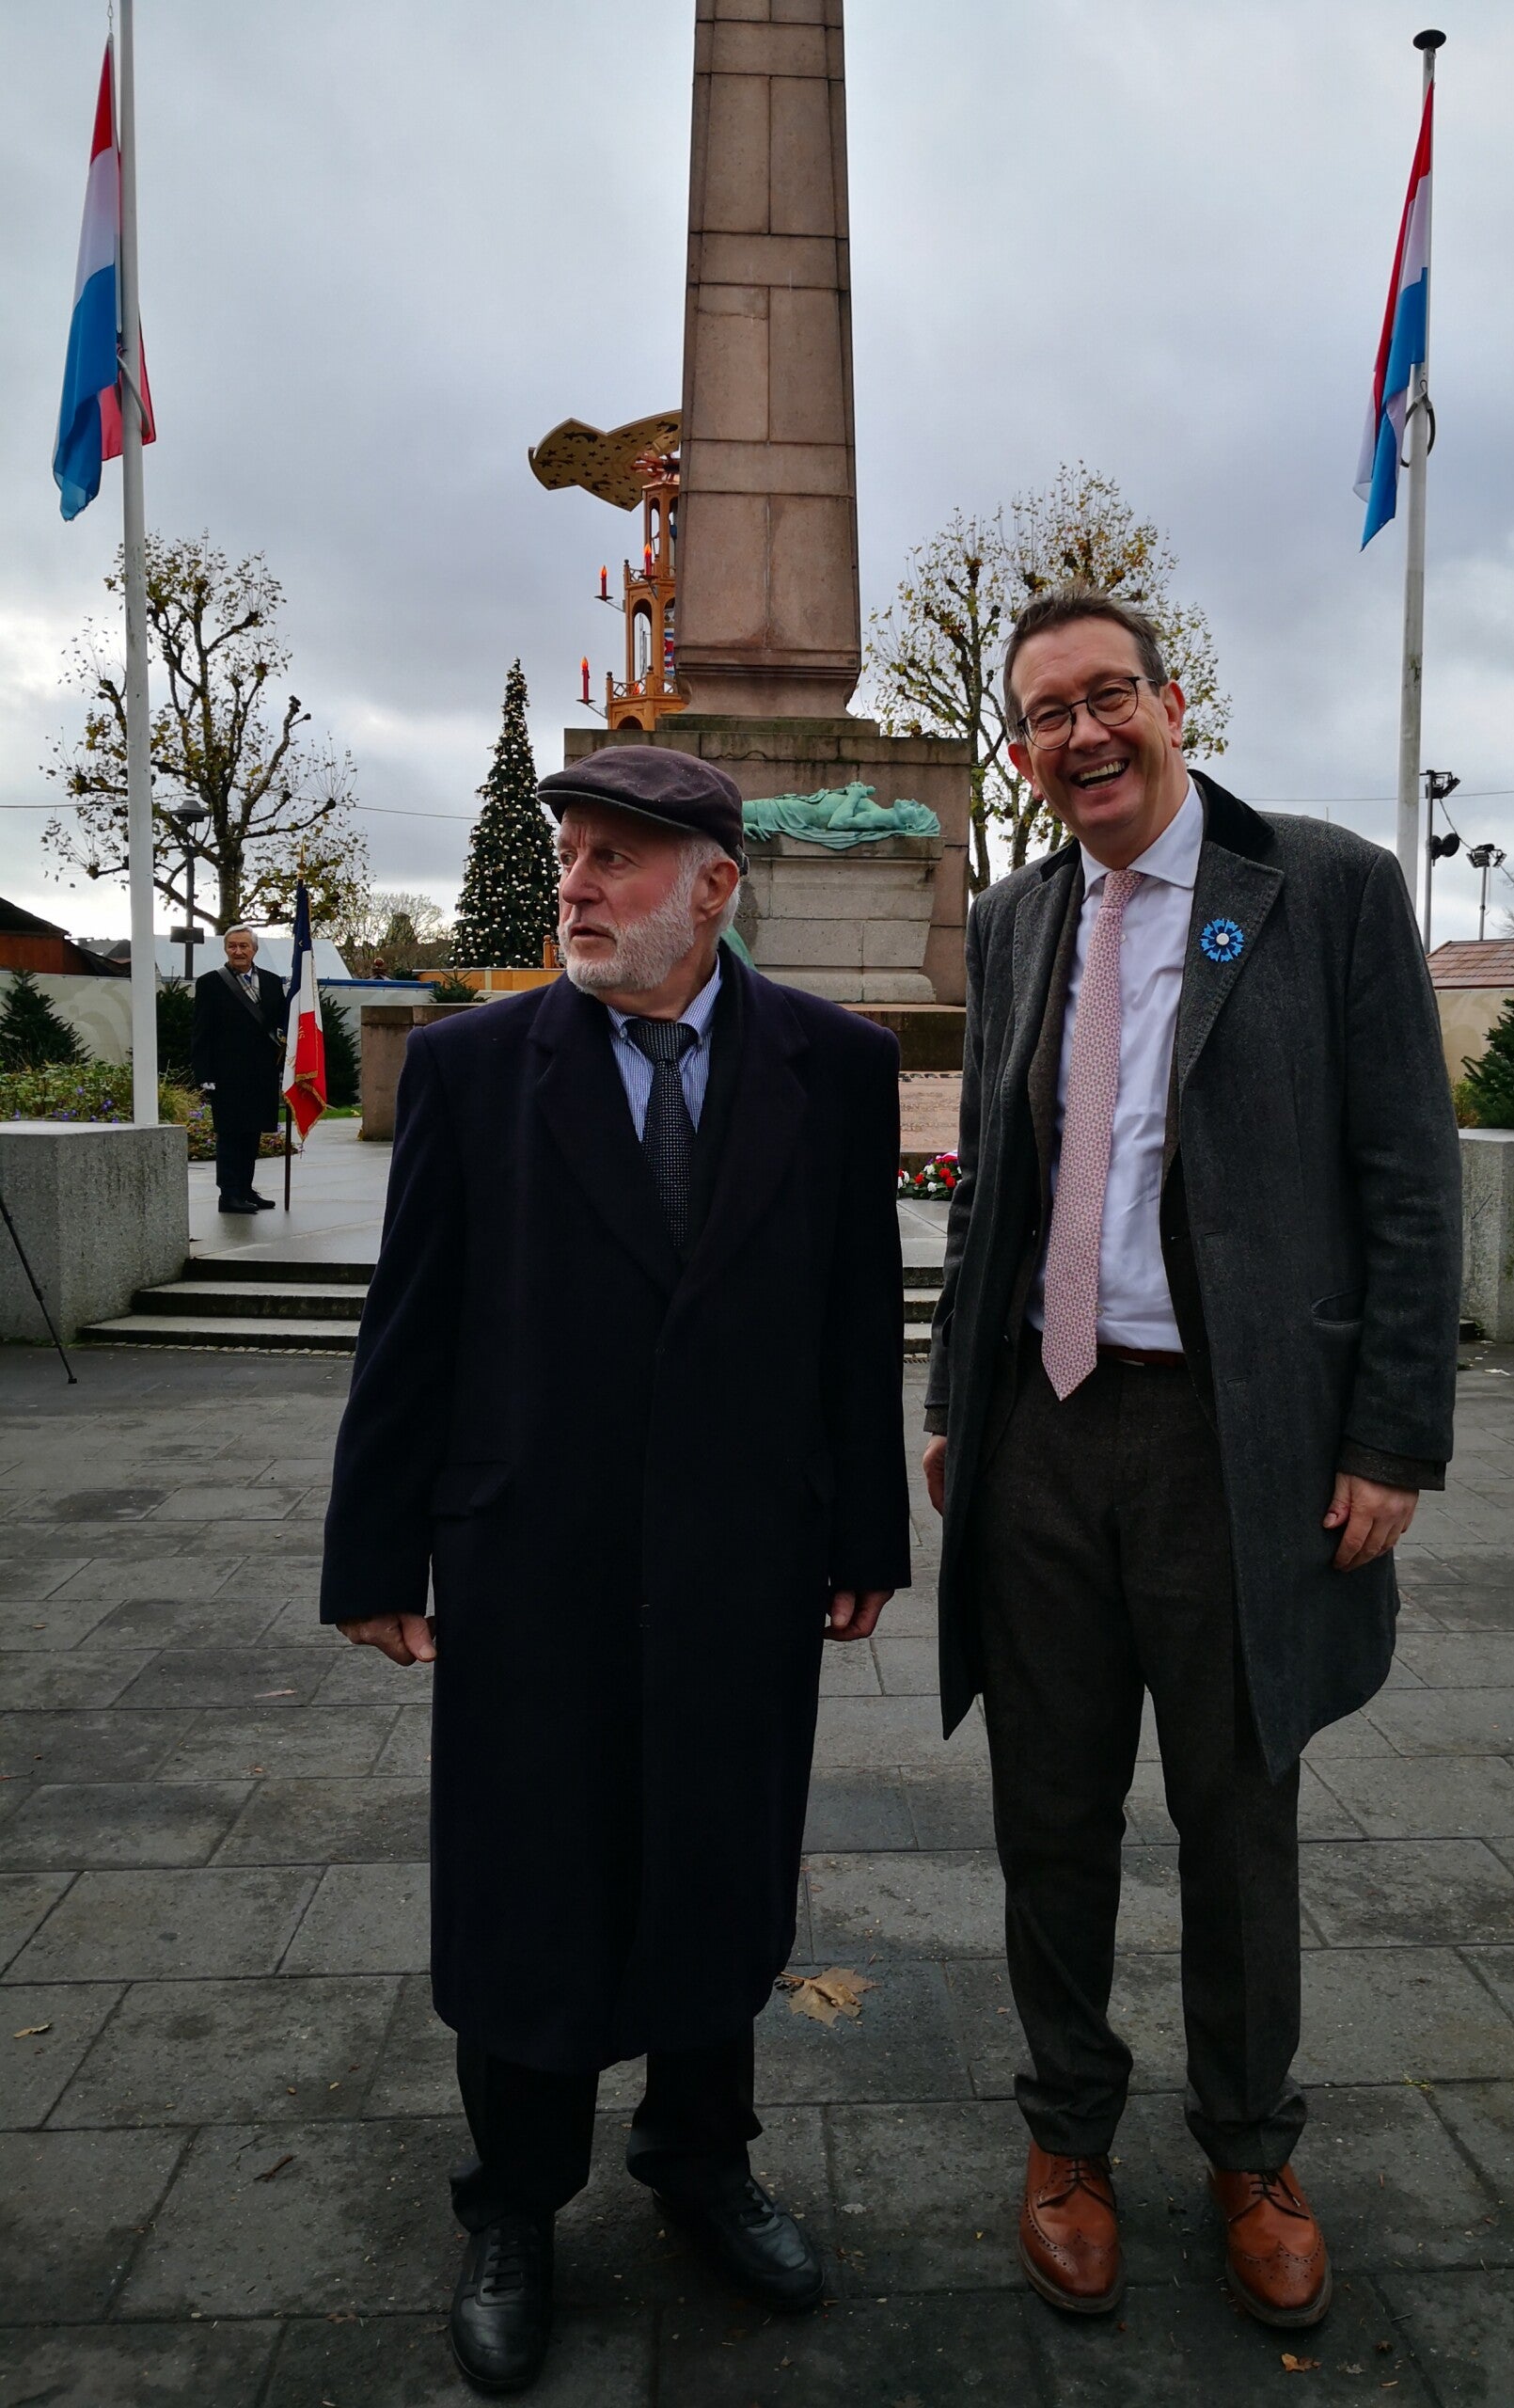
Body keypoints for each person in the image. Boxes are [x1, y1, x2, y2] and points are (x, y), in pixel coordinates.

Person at [320, 748, 909, 2394]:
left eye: (615, 860)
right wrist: (375, 1551)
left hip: (744, 1553)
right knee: (533, 1874)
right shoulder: (472, 1067)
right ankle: (513, 2204)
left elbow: (855, 1310)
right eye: (570, 853)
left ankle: (702, 2162)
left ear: (715, 887)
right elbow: (412, 1323)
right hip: (531, 1555)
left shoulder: (836, 1064)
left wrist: (865, 1526)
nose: (573, 885)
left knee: (720, 1857)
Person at [923, 588, 1461, 2330]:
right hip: (1042, 1434)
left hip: (1237, 1443)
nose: (1081, 735)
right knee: (1049, 1815)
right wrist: (953, 1402)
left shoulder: (1325, 888)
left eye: (1108, 697)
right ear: (1021, 752)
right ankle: (1067, 2136)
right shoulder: (1014, 917)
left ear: (1171, 703)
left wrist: (1391, 1434)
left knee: (1238, 1818)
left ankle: (1248, 2146)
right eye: (1044, 715)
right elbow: (994, 1184)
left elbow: (1409, 1177)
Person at [191, 925, 287, 1212]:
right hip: (227, 1073)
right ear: (225, 949)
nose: (238, 951)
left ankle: (245, 1189)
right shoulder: (210, 983)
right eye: (232, 946)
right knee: (230, 1135)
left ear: (254, 949)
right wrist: (204, 1074)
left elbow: (281, 1021)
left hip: (261, 1072)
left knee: (252, 1133)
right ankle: (229, 1194)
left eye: (244, 946)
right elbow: (201, 1032)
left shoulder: (271, 982)